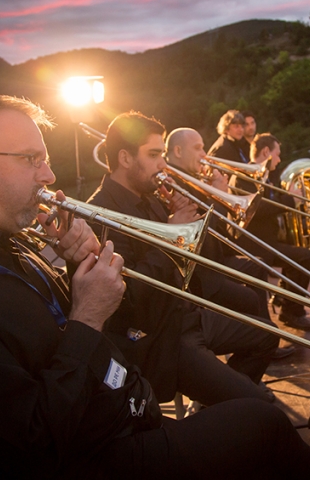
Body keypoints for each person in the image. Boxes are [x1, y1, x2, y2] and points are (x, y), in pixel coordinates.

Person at [0, 95, 310, 480]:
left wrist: (83, 264)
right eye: (31, 159)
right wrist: (88, 315)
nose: (49, 175)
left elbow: (59, 331)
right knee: (262, 425)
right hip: (87, 459)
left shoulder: (9, 247)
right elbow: (33, 441)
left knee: (254, 424)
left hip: (117, 416)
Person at [87, 112, 280, 407]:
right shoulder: (99, 212)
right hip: (161, 337)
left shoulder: (150, 197)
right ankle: (233, 405)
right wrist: (172, 237)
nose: (162, 165)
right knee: (257, 405)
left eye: (162, 155)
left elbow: (195, 259)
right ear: (125, 158)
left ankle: (220, 405)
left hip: (186, 314)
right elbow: (129, 296)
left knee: (268, 336)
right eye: (154, 155)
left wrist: (188, 221)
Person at [165, 128, 294, 359]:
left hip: (215, 256)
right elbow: (200, 233)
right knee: (249, 299)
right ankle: (259, 341)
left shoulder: (192, 178)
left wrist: (219, 197)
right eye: (198, 148)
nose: (204, 154)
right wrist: (217, 196)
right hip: (201, 269)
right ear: (177, 151)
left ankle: (264, 338)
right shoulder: (173, 183)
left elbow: (220, 228)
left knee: (257, 266)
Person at [237, 133, 310, 331]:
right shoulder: (242, 176)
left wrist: (288, 196)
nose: (279, 159)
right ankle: (288, 313)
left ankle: (287, 304)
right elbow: (256, 209)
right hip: (254, 244)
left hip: (268, 241)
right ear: (266, 152)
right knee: (303, 257)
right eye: (277, 154)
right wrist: (289, 200)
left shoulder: (266, 175)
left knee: (302, 254)